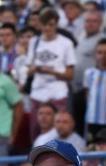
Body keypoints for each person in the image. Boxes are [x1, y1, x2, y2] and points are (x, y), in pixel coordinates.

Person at [26, 8, 76, 138]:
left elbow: (70, 74)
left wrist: (52, 72)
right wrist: (34, 69)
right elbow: (28, 69)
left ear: (56, 24)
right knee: (36, 132)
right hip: (38, 93)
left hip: (57, 93)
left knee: (58, 132)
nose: (47, 28)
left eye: (51, 24)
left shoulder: (66, 43)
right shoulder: (34, 42)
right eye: (44, 24)